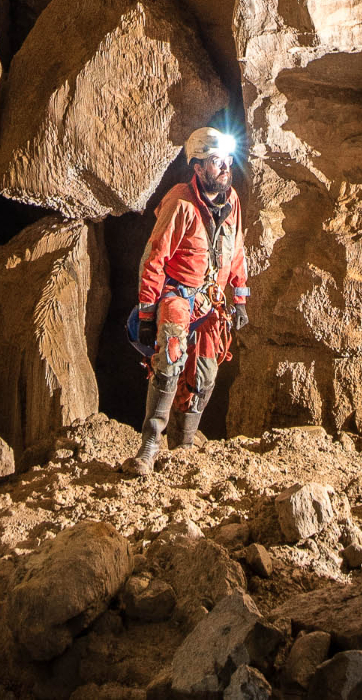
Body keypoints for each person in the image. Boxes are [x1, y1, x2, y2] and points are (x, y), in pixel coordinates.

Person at [121, 126, 250, 475]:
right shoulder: (180, 203)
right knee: (171, 357)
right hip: (178, 295)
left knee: (206, 372)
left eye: (226, 160)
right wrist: (148, 315)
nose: (224, 168)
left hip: (211, 302)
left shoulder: (232, 201)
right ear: (197, 167)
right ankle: (150, 446)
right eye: (215, 162)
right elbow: (154, 259)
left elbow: (236, 250)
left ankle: (184, 445)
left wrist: (239, 297)